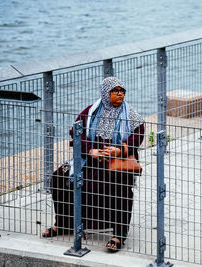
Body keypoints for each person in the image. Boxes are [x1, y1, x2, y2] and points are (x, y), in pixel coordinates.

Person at [43, 77, 145, 252]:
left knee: (118, 187)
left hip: (115, 161)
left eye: (122, 90)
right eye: (116, 90)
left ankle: (119, 234)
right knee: (59, 177)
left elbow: (139, 135)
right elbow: (75, 131)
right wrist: (91, 150)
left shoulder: (130, 114)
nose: (120, 93)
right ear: (106, 93)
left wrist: (119, 150)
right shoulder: (91, 111)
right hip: (90, 159)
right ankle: (64, 222)